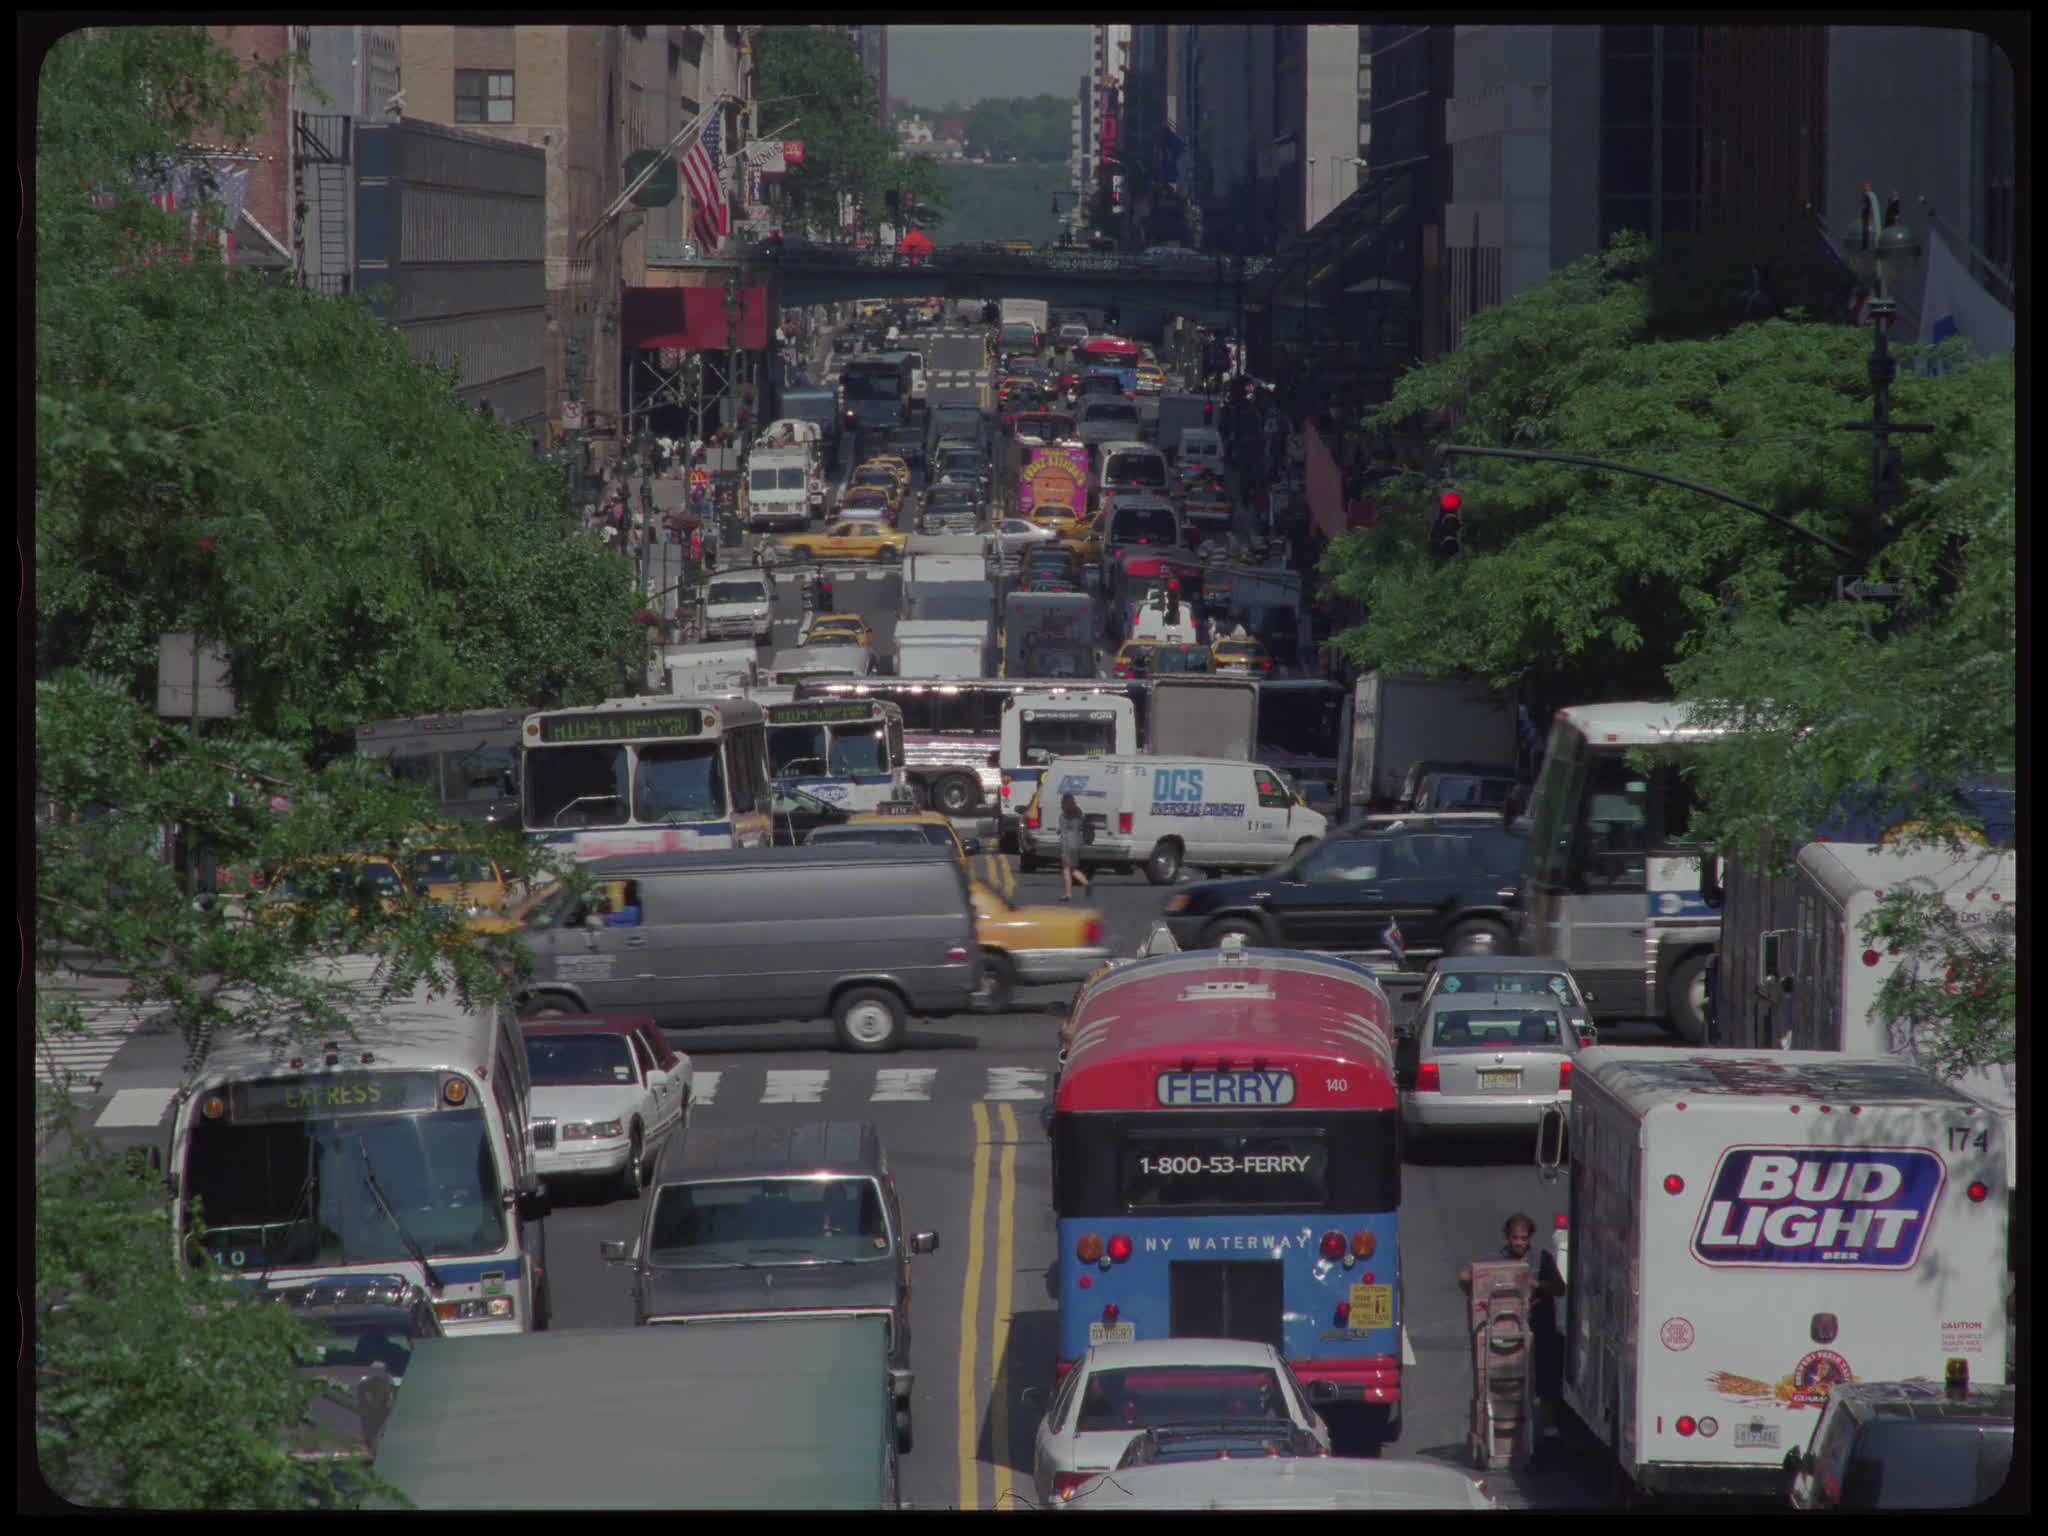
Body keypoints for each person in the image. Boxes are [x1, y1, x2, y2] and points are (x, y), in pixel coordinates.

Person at [1459, 1214, 1567, 1445]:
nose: (1519, 1243)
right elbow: (1473, 1278)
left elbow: (1559, 1288)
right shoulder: (1495, 1260)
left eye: (1524, 1238)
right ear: (1507, 1237)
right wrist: (1466, 1279)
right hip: (1507, 1328)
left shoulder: (1542, 1259)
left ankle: (1549, 1430)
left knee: (1547, 1378)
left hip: (1539, 1325)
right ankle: (1503, 1428)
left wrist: (1537, 1284)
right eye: (1515, 1238)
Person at [1057, 793, 1093, 903]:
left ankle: (1068, 893)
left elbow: (1063, 832)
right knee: (1073, 868)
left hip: (1067, 844)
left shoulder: (1063, 817)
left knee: (1066, 870)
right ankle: (1086, 883)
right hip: (1077, 843)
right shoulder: (1079, 816)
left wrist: (1062, 851)